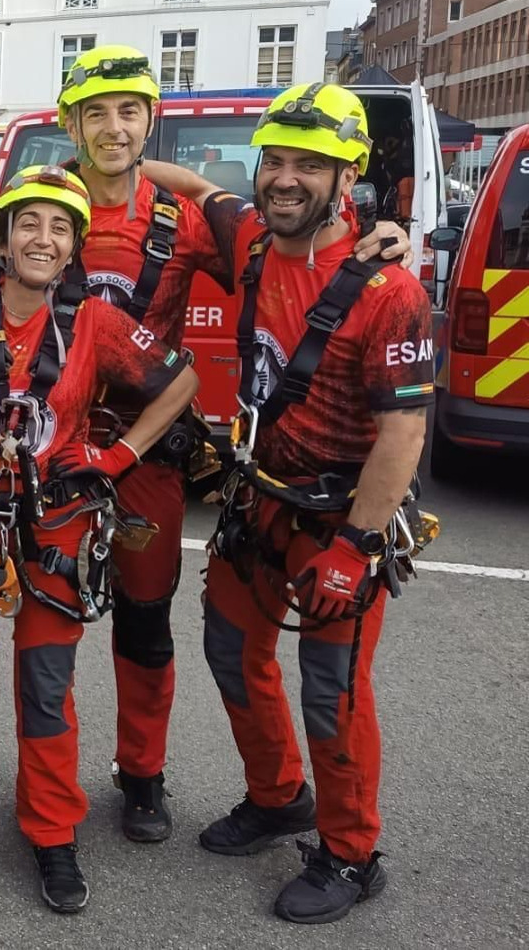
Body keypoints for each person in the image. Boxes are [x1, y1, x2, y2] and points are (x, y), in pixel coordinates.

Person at [155, 82, 432, 925]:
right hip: (263, 498)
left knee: (331, 689)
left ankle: (351, 855)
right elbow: (199, 191)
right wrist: (117, 162)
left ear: (347, 176)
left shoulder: (388, 292)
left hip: (341, 516)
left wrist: (356, 546)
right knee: (232, 649)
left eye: (308, 164)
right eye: (273, 160)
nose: (283, 178)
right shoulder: (252, 242)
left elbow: (402, 435)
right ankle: (278, 795)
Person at [0, 164, 198, 912]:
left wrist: (119, 457)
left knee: (46, 695)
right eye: (29, 222)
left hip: (57, 530)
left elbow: (180, 380)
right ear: (1, 236)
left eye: (60, 228)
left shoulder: (96, 322)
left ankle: (54, 832)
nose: (44, 237)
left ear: (73, 249)